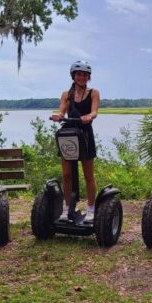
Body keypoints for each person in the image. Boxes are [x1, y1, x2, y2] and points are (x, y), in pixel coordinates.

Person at [50, 61, 101, 223]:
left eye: (85, 74)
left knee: (88, 175)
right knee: (66, 174)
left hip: (85, 134)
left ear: (88, 77)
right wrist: (57, 115)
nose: (82, 77)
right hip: (69, 134)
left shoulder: (93, 92)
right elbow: (61, 110)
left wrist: (89, 117)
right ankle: (67, 208)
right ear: (73, 75)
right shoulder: (67, 94)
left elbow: (94, 111)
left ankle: (91, 209)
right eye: (79, 74)